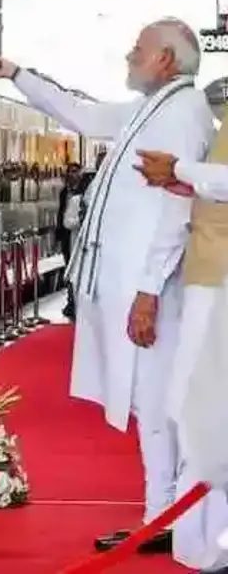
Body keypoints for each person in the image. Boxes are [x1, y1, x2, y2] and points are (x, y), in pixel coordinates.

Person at [0, 18, 214, 556]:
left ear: (166, 59)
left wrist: (148, 290)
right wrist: (15, 73)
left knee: (155, 402)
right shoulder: (156, 107)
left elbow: (177, 206)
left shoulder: (182, 112)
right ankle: (161, 514)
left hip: (152, 286)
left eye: (139, 48)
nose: (129, 54)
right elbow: (81, 113)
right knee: (147, 403)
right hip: (135, 283)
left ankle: (164, 516)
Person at [135, 126, 228, 572]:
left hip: (217, 281)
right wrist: (189, 182)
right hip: (210, 276)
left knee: (200, 411)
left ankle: (210, 546)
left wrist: (181, 169)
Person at [56, 162, 88, 319]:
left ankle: (77, 302)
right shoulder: (66, 194)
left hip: (82, 241)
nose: (72, 174)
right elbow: (63, 216)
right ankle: (71, 300)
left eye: (75, 171)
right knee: (70, 269)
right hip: (69, 238)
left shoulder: (84, 195)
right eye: (70, 171)